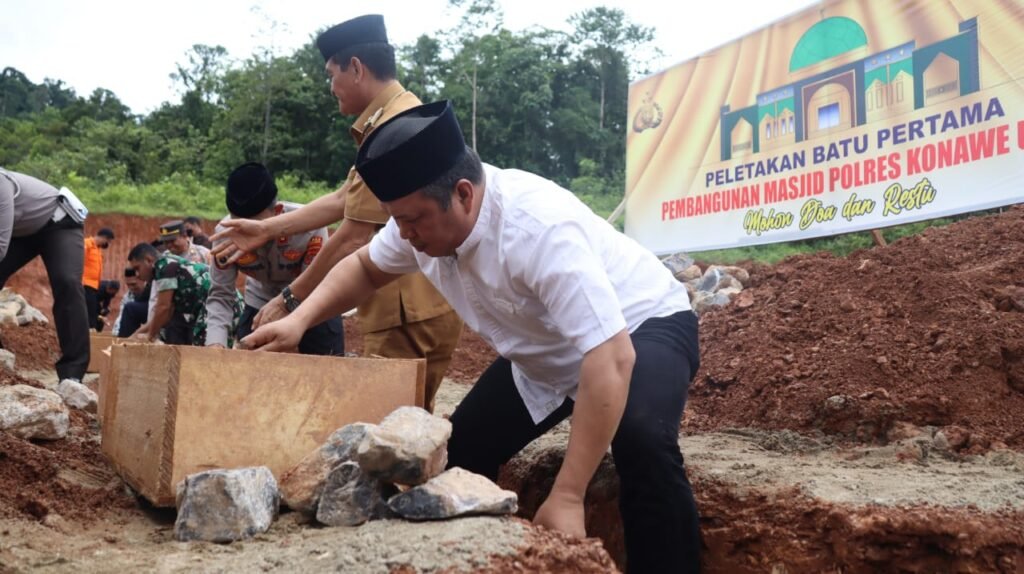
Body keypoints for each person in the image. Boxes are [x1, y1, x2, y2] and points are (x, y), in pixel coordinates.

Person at [244, 101, 702, 572]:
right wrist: (299, 319)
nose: (404, 234)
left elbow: (611, 357)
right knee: (459, 458)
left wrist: (568, 494)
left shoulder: (536, 228)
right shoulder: (416, 219)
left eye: (413, 220)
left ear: (463, 193)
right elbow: (365, 266)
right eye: (396, 219)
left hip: (641, 326)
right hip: (541, 357)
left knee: (642, 440)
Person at [212, 14, 462, 411]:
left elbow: (352, 236)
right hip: (407, 306)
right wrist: (265, 229)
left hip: (407, 310)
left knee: (394, 431)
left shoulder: (392, 128)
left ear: (357, 68)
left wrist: (289, 301)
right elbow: (344, 199)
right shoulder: (389, 119)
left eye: (332, 75)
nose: (331, 87)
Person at [206, 162, 343, 354]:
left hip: (312, 300)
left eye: (255, 228)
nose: (247, 236)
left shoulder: (310, 227)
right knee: (248, 372)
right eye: (239, 226)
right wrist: (214, 344)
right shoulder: (225, 235)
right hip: (260, 301)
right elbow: (221, 295)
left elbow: (315, 283)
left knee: (328, 371)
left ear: (277, 211)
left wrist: (286, 307)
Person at [0, 168, 90, 381]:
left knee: (66, 281)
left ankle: (73, 373)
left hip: (59, 224)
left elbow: (1, 247)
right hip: (21, 231)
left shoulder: (1, 185)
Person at [127, 242, 223, 345]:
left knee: (201, 348)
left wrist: (149, 336)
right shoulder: (166, 265)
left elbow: (163, 308)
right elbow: (165, 314)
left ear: (149, 260)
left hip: (219, 303)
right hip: (212, 304)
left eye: (137, 268)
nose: (137, 274)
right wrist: (135, 335)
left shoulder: (164, 266)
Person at [82, 227, 115, 332]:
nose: (107, 243)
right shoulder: (87, 244)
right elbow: (79, 260)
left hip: (93, 285)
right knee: (89, 309)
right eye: (108, 241)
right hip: (85, 283)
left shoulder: (97, 249)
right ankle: (89, 329)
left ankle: (91, 329)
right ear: (104, 238)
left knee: (93, 309)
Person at [112, 267, 148, 337]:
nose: (131, 288)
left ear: (143, 280)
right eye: (128, 285)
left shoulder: (153, 292)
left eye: (133, 284)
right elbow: (121, 319)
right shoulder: (128, 297)